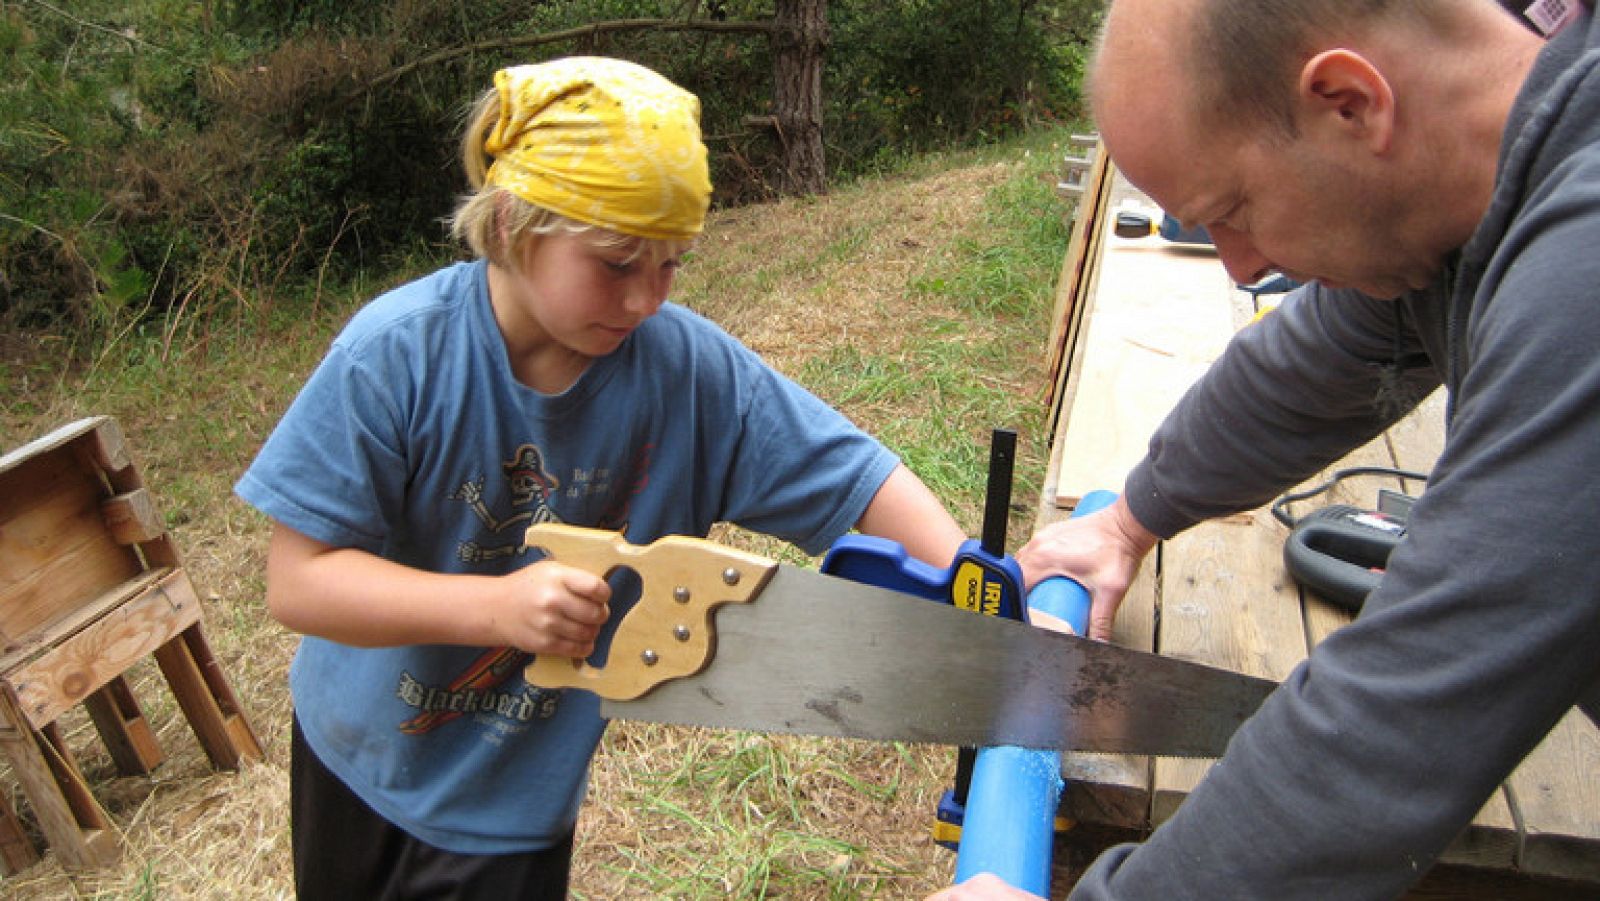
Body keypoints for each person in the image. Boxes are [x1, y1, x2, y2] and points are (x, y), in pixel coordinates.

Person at [235, 56, 968, 899]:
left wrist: (986, 597)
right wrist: (497, 608)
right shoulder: (393, 357)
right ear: (512, 223)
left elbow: (858, 481)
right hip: (353, 761)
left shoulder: (690, 377)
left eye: (671, 265)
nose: (646, 300)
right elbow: (299, 582)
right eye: (618, 264)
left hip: (511, 810)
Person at [931, 0, 1599, 898]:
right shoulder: (1468, 187)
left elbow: (1392, 724)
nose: (1241, 268)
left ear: (1350, 102)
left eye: (1233, 210)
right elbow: (1312, 365)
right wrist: (1129, 520)